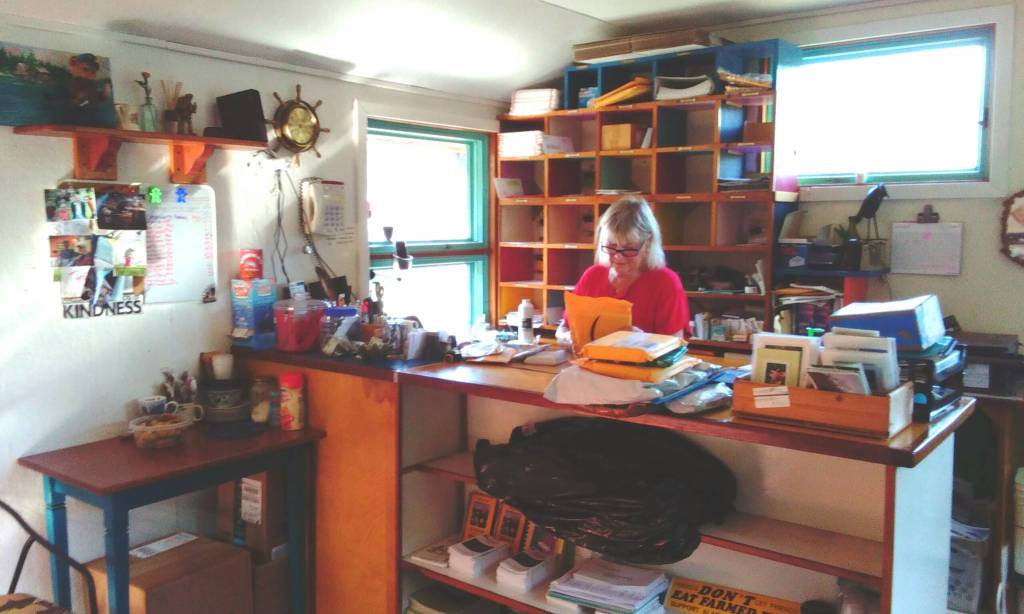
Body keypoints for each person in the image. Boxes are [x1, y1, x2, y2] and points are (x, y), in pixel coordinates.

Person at [560, 197, 690, 337]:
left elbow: (674, 347)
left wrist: (641, 340)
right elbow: (563, 329)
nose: (618, 257)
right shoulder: (592, 276)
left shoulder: (666, 282)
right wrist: (568, 337)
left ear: (648, 243)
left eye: (629, 249)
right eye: (611, 246)